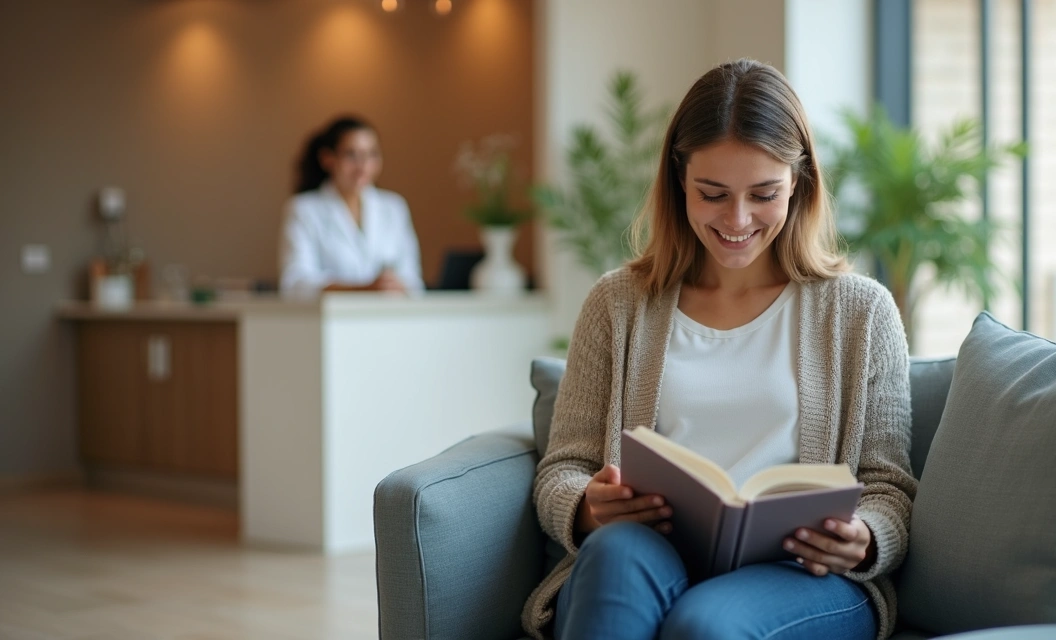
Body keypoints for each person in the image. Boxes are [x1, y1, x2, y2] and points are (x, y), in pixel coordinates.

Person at [522, 60, 916, 640]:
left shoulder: (862, 312)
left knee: (705, 626)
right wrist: (587, 506)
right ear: (680, 179)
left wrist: (866, 537)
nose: (737, 220)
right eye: (713, 194)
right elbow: (565, 469)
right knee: (611, 558)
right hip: (649, 552)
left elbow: (890, 489)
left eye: (763, 194)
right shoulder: (618, 304)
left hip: (800, 574)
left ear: (799, 183)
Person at [279, 116, 425, 298]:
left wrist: (395, 285)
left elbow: (413, 280)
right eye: (351, 155)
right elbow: (296, 283)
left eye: (371, 154)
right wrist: (363, 290)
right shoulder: (304, 209)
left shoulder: (394, 208)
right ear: (327, 158)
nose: (362, 166)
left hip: (389, 320)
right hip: (331, 322)